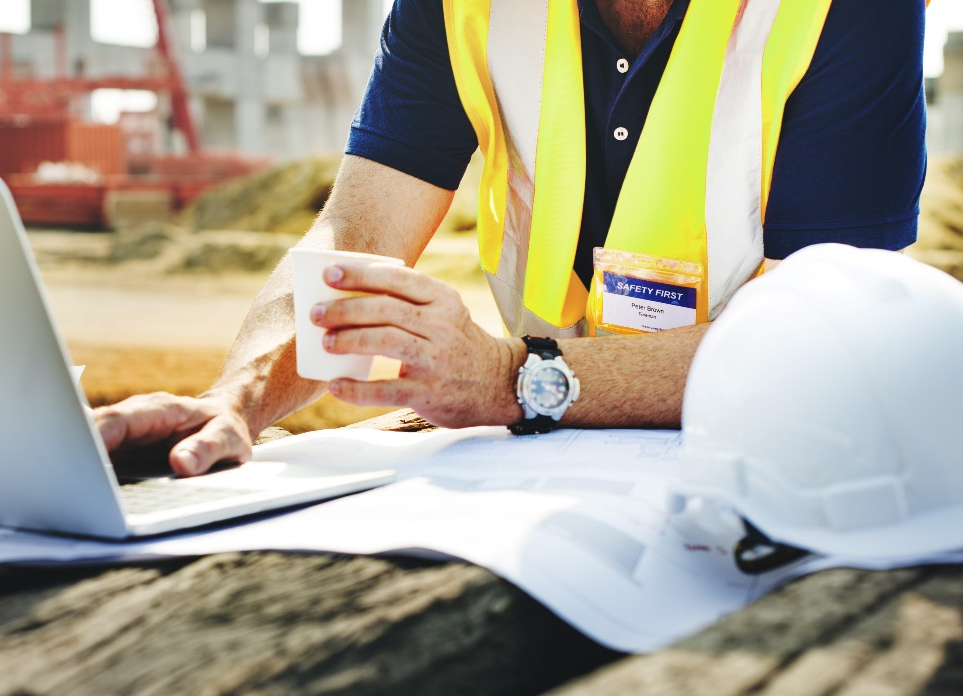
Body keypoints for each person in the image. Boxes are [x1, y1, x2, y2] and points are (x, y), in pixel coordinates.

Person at [95, 0, 927, 476]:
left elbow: (810, 337)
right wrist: (235, 401)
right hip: (552, 465)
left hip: (778, 467)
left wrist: (516, 381)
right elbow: (354, 235)